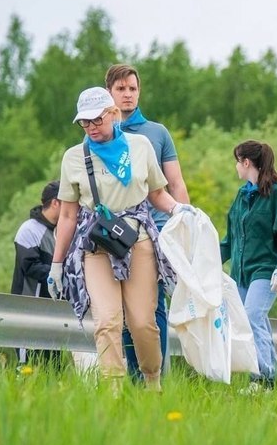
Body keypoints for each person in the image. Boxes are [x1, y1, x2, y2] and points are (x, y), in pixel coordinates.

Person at [47, 87, 195, 390]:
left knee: (142, 323)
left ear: (113, 114)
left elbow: (157, 194)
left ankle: (152, 382)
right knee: (106, 322)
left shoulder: (140, 147)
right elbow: (67, 216)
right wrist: (57, 263)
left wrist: (180, 209)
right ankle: (113, 391)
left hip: (137, 240)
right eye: (84, 124)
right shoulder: (74, 158)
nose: (91, 128)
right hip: (96, 245)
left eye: (97, 120)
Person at [105, 63, 191, 380]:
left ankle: (151, 378)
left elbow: (176, 183)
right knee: (123, 310)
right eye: (120, 89)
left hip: (155, 229)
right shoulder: (100, 132)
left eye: (132, 88)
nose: (127, 94)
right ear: (109, 93)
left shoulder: (156, 133)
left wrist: (185, 224)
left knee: (152, 307)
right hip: (112, 233)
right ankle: (132, 374)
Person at [220, 140, 277, 393]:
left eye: (237, 161)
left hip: (266, 270)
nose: (236, 167)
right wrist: (206, 261)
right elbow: (230, 239)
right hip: (241, 272)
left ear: (246, 162)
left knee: (253, 317)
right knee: (252, 322)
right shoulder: (242, 196)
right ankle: (273, 373)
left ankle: (263, 379)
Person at [10, 180, 62, 367]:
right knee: (28, 370)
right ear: (55, 202)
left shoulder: (61, 232)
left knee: (53, 370)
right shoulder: (29, 229)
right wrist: (60, 273)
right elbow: (30, 267)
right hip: (29, 309)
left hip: (54, 312)